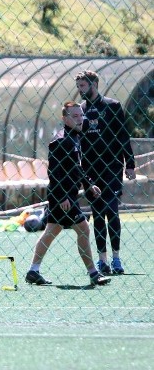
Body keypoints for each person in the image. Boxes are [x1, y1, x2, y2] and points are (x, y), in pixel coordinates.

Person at [25, 102, 110, 287]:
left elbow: (76, 167)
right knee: (84, 229)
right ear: (65, 119)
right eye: (75, 116)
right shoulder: (61, 140)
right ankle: (94, 273)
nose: (80, 119)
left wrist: (89, 185)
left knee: (51, 231)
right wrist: (63, 195)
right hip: (62, 197)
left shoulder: (75, 138)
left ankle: (33, 270)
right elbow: (54, 172)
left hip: (66, 195)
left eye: (81, 115)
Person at [75, 70, 136, 275]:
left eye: (83, 86)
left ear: (94, 84)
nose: (80, 90)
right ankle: (102, 261)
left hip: (112, 167)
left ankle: (116, 258)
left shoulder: (113, 106)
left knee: (112, 211)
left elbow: (123, 136)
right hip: (90, 170)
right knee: (98, 213)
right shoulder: (81, 110)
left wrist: (130, 164)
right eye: (78, 86)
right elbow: (77, 140)